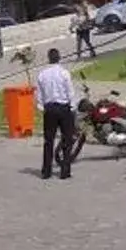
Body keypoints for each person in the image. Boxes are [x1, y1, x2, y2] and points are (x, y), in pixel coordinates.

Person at [33, 45, 79, 180]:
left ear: (48, 59)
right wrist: (72, 107)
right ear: (59, 58)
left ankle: (46, 171)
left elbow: (39, 95)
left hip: (50, 109)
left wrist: (42, 107)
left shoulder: (42, 75)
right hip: (63, 108)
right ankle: (65, 171)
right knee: (66, 140)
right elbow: (70, 92)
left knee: (48, 141)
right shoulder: (64, 73)